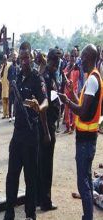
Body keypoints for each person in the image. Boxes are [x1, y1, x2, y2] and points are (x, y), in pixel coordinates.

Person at [4, 42, 48, 220]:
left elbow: (45, 100)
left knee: (30, 176)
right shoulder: (17, 76)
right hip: (18, 133)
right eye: (20, 58)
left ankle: (30, 214)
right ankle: (9, 211)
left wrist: (39, 106)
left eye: (26, 58)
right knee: (12, 175)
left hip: (31, 133)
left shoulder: (37, 78)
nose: (23, 61)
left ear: (30, 57)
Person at [59, 44, 103, 220]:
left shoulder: (92, 79)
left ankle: (88, 217)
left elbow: (83, 112)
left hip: (86, 140)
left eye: (83, 57)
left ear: (90, 58)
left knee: (83, 183)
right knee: (85, 179)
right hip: (86, 139)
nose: (80, 60)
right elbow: (84, 105)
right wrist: (71, 94)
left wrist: (67, 102)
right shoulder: (92, 78)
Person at [37, 48, 62, 212]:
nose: (59, 64)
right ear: (54, 61)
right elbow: (43, 108)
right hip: (46, 127)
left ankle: (40, 198)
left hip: (49, 125)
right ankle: (45, 201)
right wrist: (46, 132)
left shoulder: (50, 75)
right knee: (46, 166)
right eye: (57, 61)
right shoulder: (45, 77)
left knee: (42, 163)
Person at [63, 48, 80, 133]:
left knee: (74, 110)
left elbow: (79, 79)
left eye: (74, 56)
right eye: (71, 56)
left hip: (74, 90)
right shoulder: (68, 66)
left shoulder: (77, 67)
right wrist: (71, 68)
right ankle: (67, 126)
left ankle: (73, 127)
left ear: (76, 57)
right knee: (67, 109)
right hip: (67, 90)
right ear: (69, 57)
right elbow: (65, 76)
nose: (72, 58)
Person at [7, 51, 19, 122]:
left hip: (16, 87)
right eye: (13, 56)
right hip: (11, 87)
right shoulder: (10, 67)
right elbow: (8, 77)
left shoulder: (18, 67)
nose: (14, 58)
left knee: (15, 102)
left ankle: (14, 115)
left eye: (15, 56)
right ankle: (10, 116)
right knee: (10, 101)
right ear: (12, 58)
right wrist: (11, 84)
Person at [1, 55, 10, 119]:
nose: (4, 60)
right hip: (3, 85)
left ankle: (8, 113)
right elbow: (1, 75)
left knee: (8, 100)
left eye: (5, 59)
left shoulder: (9, 65)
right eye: (3, 59)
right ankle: (4, 114)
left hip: (8, 85)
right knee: (4, 100)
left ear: (7, 59)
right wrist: (3, 67)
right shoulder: (2, 66)